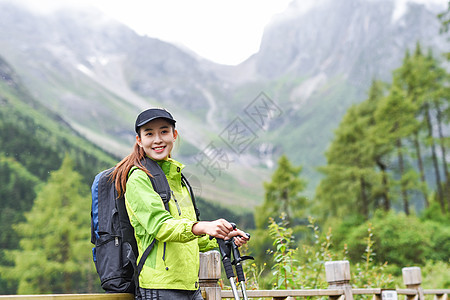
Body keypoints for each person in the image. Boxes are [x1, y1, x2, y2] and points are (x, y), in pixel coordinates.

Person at [111, 108, 249, 300]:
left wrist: (221, 236)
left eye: (164, 131)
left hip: (190, 287)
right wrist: (202, 226)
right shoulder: (138, 179)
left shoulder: (177, 179)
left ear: (174, 135)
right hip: (159, 288)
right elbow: (161, 226)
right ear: (139, 140)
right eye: (149, 133)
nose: (158, 139)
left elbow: (188, 234)